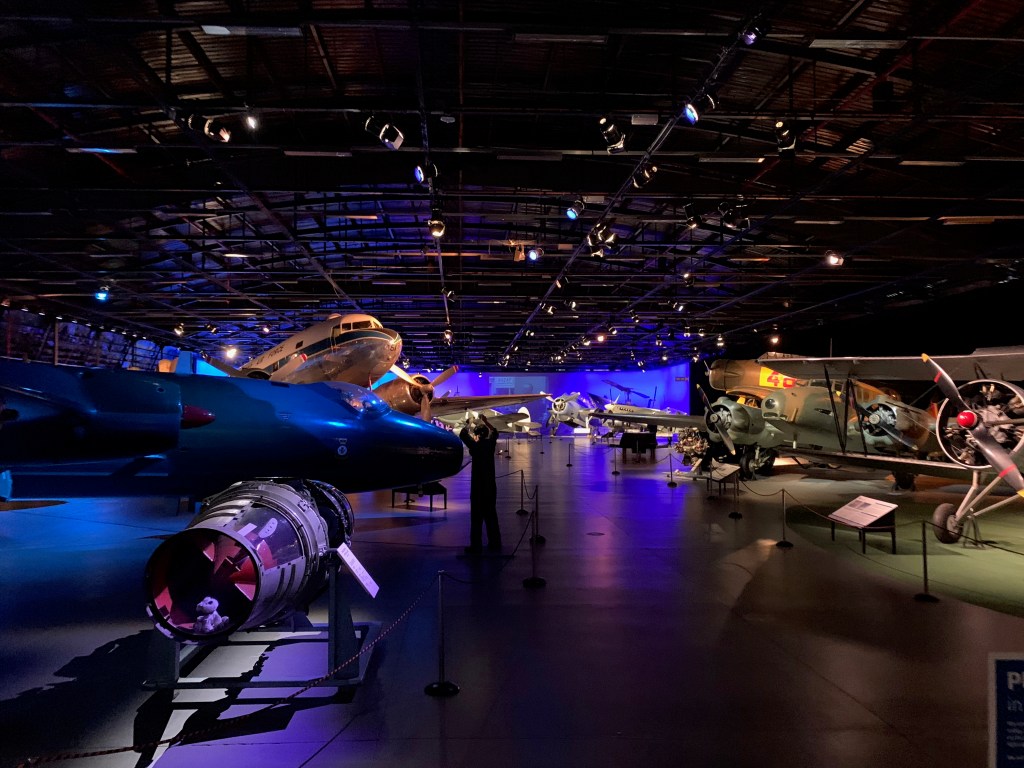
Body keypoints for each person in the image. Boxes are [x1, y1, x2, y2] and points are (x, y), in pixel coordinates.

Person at [459, 414, 502, 554]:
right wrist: (486, 421)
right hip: (490, 487)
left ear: (476, 435)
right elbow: (495, 431)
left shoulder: (475, 447)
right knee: (491, 517)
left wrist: (468, 423)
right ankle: (495, 543)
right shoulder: (490, 446)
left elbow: (462, 434)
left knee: (476, 519)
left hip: (477, 488)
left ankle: (476, 546)